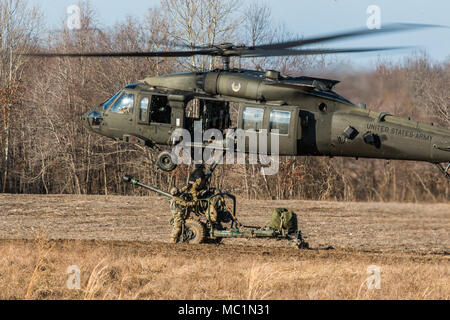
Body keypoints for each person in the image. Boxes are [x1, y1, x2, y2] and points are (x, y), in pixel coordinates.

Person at [169, 163, 208, 243]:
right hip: (178, 216)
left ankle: (178, 240)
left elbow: (181, 191)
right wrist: (193, 202)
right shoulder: (176, 199)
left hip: (180, 214)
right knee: (177, 228)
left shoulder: (176, 196)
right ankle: (172, 242)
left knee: (182, 227)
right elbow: (185, 204)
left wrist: (188, 187)